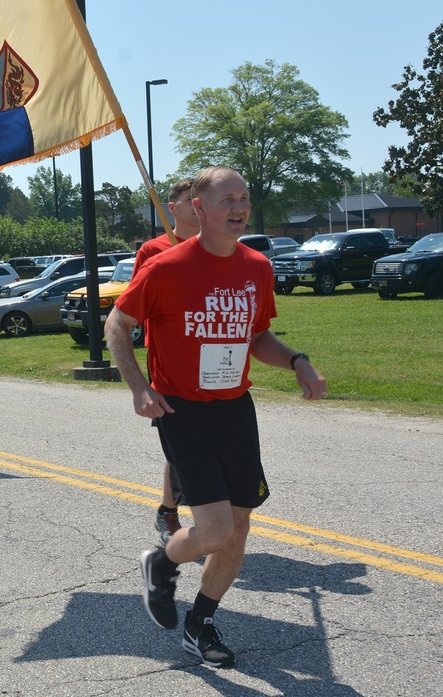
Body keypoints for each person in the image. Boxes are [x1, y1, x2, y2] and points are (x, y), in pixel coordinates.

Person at [105, 166, 327, 668]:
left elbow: (257, 337)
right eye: (227, 198)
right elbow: (117, 323)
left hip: (235, 409)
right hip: (182, 411)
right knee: (214, 531)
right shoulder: (165, 267)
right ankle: (162, 564)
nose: (239, 207)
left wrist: (297, 361)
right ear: (198, 208)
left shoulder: (256, 267)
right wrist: (139, 388)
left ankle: (200, 620)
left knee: (240, 528)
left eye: (244, 198)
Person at [117, 178, 201, 545]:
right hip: (169, 359)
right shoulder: (154, 250)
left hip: (214, 361)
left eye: (201, 199)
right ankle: (170, 511)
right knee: (183, 442)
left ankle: (203, 515)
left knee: (206, 440)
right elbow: (135, 307)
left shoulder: (217, 246)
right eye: (188, 199)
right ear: (172, 208)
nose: (197, 204)